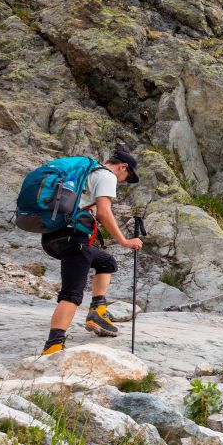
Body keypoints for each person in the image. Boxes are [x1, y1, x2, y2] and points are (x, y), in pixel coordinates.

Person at [40, 149, 142, 355]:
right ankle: (53, 346)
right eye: (128, 176)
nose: (124, 180)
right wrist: (124, 241)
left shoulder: (86, 174)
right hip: (73, 238)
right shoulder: (106, 175)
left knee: (106, 262)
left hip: (53, 236)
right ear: (123, 167)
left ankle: (97, 312)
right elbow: (104, 212)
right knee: (71, 294)